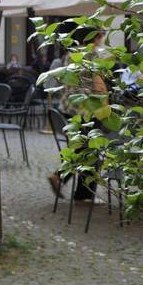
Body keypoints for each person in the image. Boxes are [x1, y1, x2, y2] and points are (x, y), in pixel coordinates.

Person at [47, 28, 108, 207]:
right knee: (91, 153)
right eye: (101, 35)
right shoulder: (93, 55)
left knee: (80, 150)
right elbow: (98, 86)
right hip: (86, 110)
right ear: (94, 37)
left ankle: (60, 178)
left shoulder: (71, 53)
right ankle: (82, 194)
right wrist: (106, 107)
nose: (102, 39)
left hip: (67, 109)